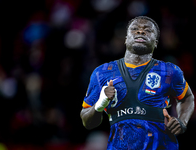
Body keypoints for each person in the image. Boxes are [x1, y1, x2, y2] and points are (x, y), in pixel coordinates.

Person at [80, 16, 194, 150]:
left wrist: (182, 121)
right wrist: (99, 105)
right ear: (126, 39)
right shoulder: (102, 73)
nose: (140, 32)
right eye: (134, 29)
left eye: (147, 30)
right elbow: (87, 122)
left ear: (156, 42)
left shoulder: (170, 71)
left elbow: (187, 97)